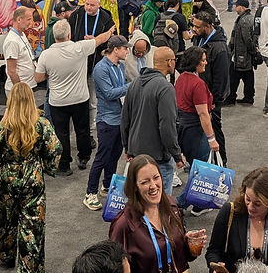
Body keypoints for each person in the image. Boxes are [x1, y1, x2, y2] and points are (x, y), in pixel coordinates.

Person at [0, 82, 62, 273]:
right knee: (31, 228)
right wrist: (45, 167)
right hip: (32, 181)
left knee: (7, 219)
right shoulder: (42, 124)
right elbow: (55, 149)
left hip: (7, 180)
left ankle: (6, 253)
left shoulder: (3, 126)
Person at [110, 155, 204, 273]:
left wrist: (188, 244)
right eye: (145, 182)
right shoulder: (124, 225)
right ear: (134, 186)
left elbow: (178, 254)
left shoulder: (170, 206)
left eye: (156, 177)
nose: (153, 186)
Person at [36, 19, 113, 175]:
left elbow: (38, 78)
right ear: (69, 34)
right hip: (79, 99)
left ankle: (64, 165)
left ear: (54, 35)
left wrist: (50, 74)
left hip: (57, 101)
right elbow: (100, 39)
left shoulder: (46, 55)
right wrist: (110, 31)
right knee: (82, 130)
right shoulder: (80, 47)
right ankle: (83, 157)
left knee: (61, 133)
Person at [120, 47, 184, 196]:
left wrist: (127, 148)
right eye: (174, 60)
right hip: (157, 159)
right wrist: (176, 154)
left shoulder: (135, 83)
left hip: (136, 155)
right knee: (160, 203)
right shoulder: (165, 88)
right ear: (169, 62)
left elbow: (125, 120)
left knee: (139, 200)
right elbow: (167, 126)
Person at [85, 35, 131, 210]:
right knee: (102, 157)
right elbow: (109, 93)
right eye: (125, 48)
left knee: (114, 155)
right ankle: (90, 193)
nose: (127, 51)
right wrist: (132, 86)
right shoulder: (100, 69)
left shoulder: (120, 66)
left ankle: (106, 185)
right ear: (116, 49)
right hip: (106, 120)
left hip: (119, 118)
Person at [191, 10, 231, 162]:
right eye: (193, 25)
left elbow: (221, 78)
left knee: (214, 130)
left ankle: (221, 163)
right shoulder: (199, 39)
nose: (194, 29)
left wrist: (214, 100)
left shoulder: (220, 48)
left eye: (198, 27)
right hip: (199, 94)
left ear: (208, 27)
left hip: (212, 99)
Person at [174, 46, 220, 168]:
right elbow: (203, 114)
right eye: (203, 60)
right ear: (195, 62)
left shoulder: (181, 77)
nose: (206, 62)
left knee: (193, 164)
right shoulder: (198, 84)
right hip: (196, 131)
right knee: (201, 168)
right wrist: (211, 139)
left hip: (182, 128)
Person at [228, 0, 259, 106]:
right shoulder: (250, 18)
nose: (235, 8)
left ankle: (231, 97)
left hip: (242, 55)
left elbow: (247, 39)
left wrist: (252, 51)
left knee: (234, 76)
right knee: (248, 76)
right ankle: (248, 97)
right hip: (246, 56)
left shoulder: (243, 21)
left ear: (241, 6)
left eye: (236, 6)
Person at [5, 6, 38, 94]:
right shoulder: (12, 41)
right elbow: (11, 71)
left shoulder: (22, 34)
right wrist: (20, 91)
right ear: (19, 19)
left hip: (28, 86)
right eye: (28, 19)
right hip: (19, 89)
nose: (31, 23)